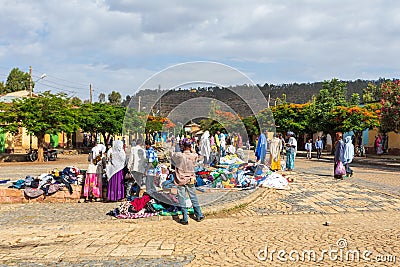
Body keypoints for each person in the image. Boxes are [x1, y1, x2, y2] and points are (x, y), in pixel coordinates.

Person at [169, 140, 204, 225]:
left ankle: (185, 218)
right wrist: (192, 149)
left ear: (182, 147)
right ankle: (199, 214)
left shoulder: (179, 155)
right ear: (190, 146)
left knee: (182, 198)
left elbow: (171, 153)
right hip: (191, 179)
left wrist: (173, 145)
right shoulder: (194, 156)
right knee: (193, 197)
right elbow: (196, 154)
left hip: (180, 179)